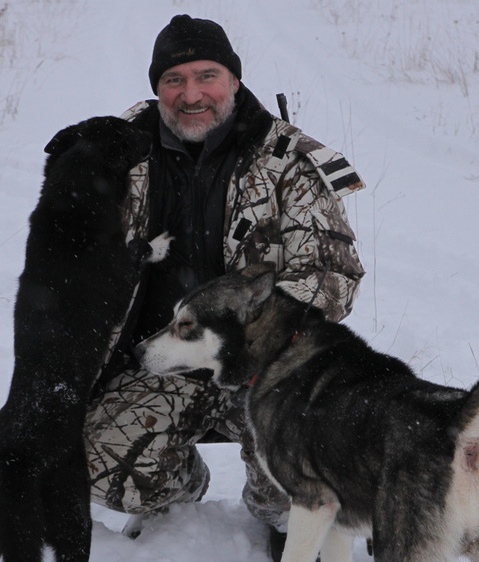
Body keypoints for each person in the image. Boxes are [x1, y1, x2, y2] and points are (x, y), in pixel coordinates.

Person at [81, 14, 365, 560]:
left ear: (233, 79)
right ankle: (180, 487)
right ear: (157, 88)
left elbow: (336, 279)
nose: (192, 94)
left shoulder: (288, 159)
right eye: (174, 80)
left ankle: (277, 505)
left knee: (298, 478)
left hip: (265, 368)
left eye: (207, 75)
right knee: (95, 462)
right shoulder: (117, 151)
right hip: (161, 359)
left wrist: (252, 332)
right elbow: (75, 264)